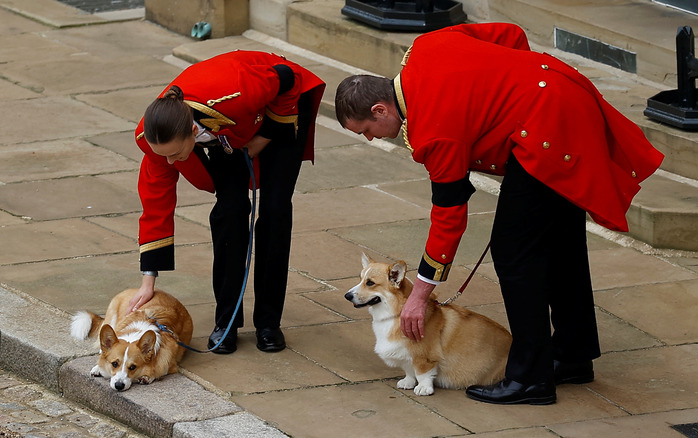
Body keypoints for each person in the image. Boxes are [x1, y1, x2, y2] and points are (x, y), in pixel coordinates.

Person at [335, 22, 663, 405]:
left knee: (514, 254)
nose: (372, 138)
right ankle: (573, 356)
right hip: (563, 94)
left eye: (368, 130)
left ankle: (531, 378)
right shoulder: (425, 47)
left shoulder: (433, 131)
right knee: (560, 242)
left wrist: (419, 294)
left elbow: (449, 216)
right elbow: (509, 34)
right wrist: (517, 86)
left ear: (380, 108)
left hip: (546, 132)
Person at [131, 50, 325, 354]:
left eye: (173, 153)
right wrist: (148, 281)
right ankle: (227, 322)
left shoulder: (237, 91)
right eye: (163, 154)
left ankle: (268, 323)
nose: (168, 161)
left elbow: (288, 79)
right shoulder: (156, 138)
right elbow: (155, 205)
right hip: (228, 133)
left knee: (275, 210)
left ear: (192, 132)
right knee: (230, 211)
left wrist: (265, 136)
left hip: (278, 109)